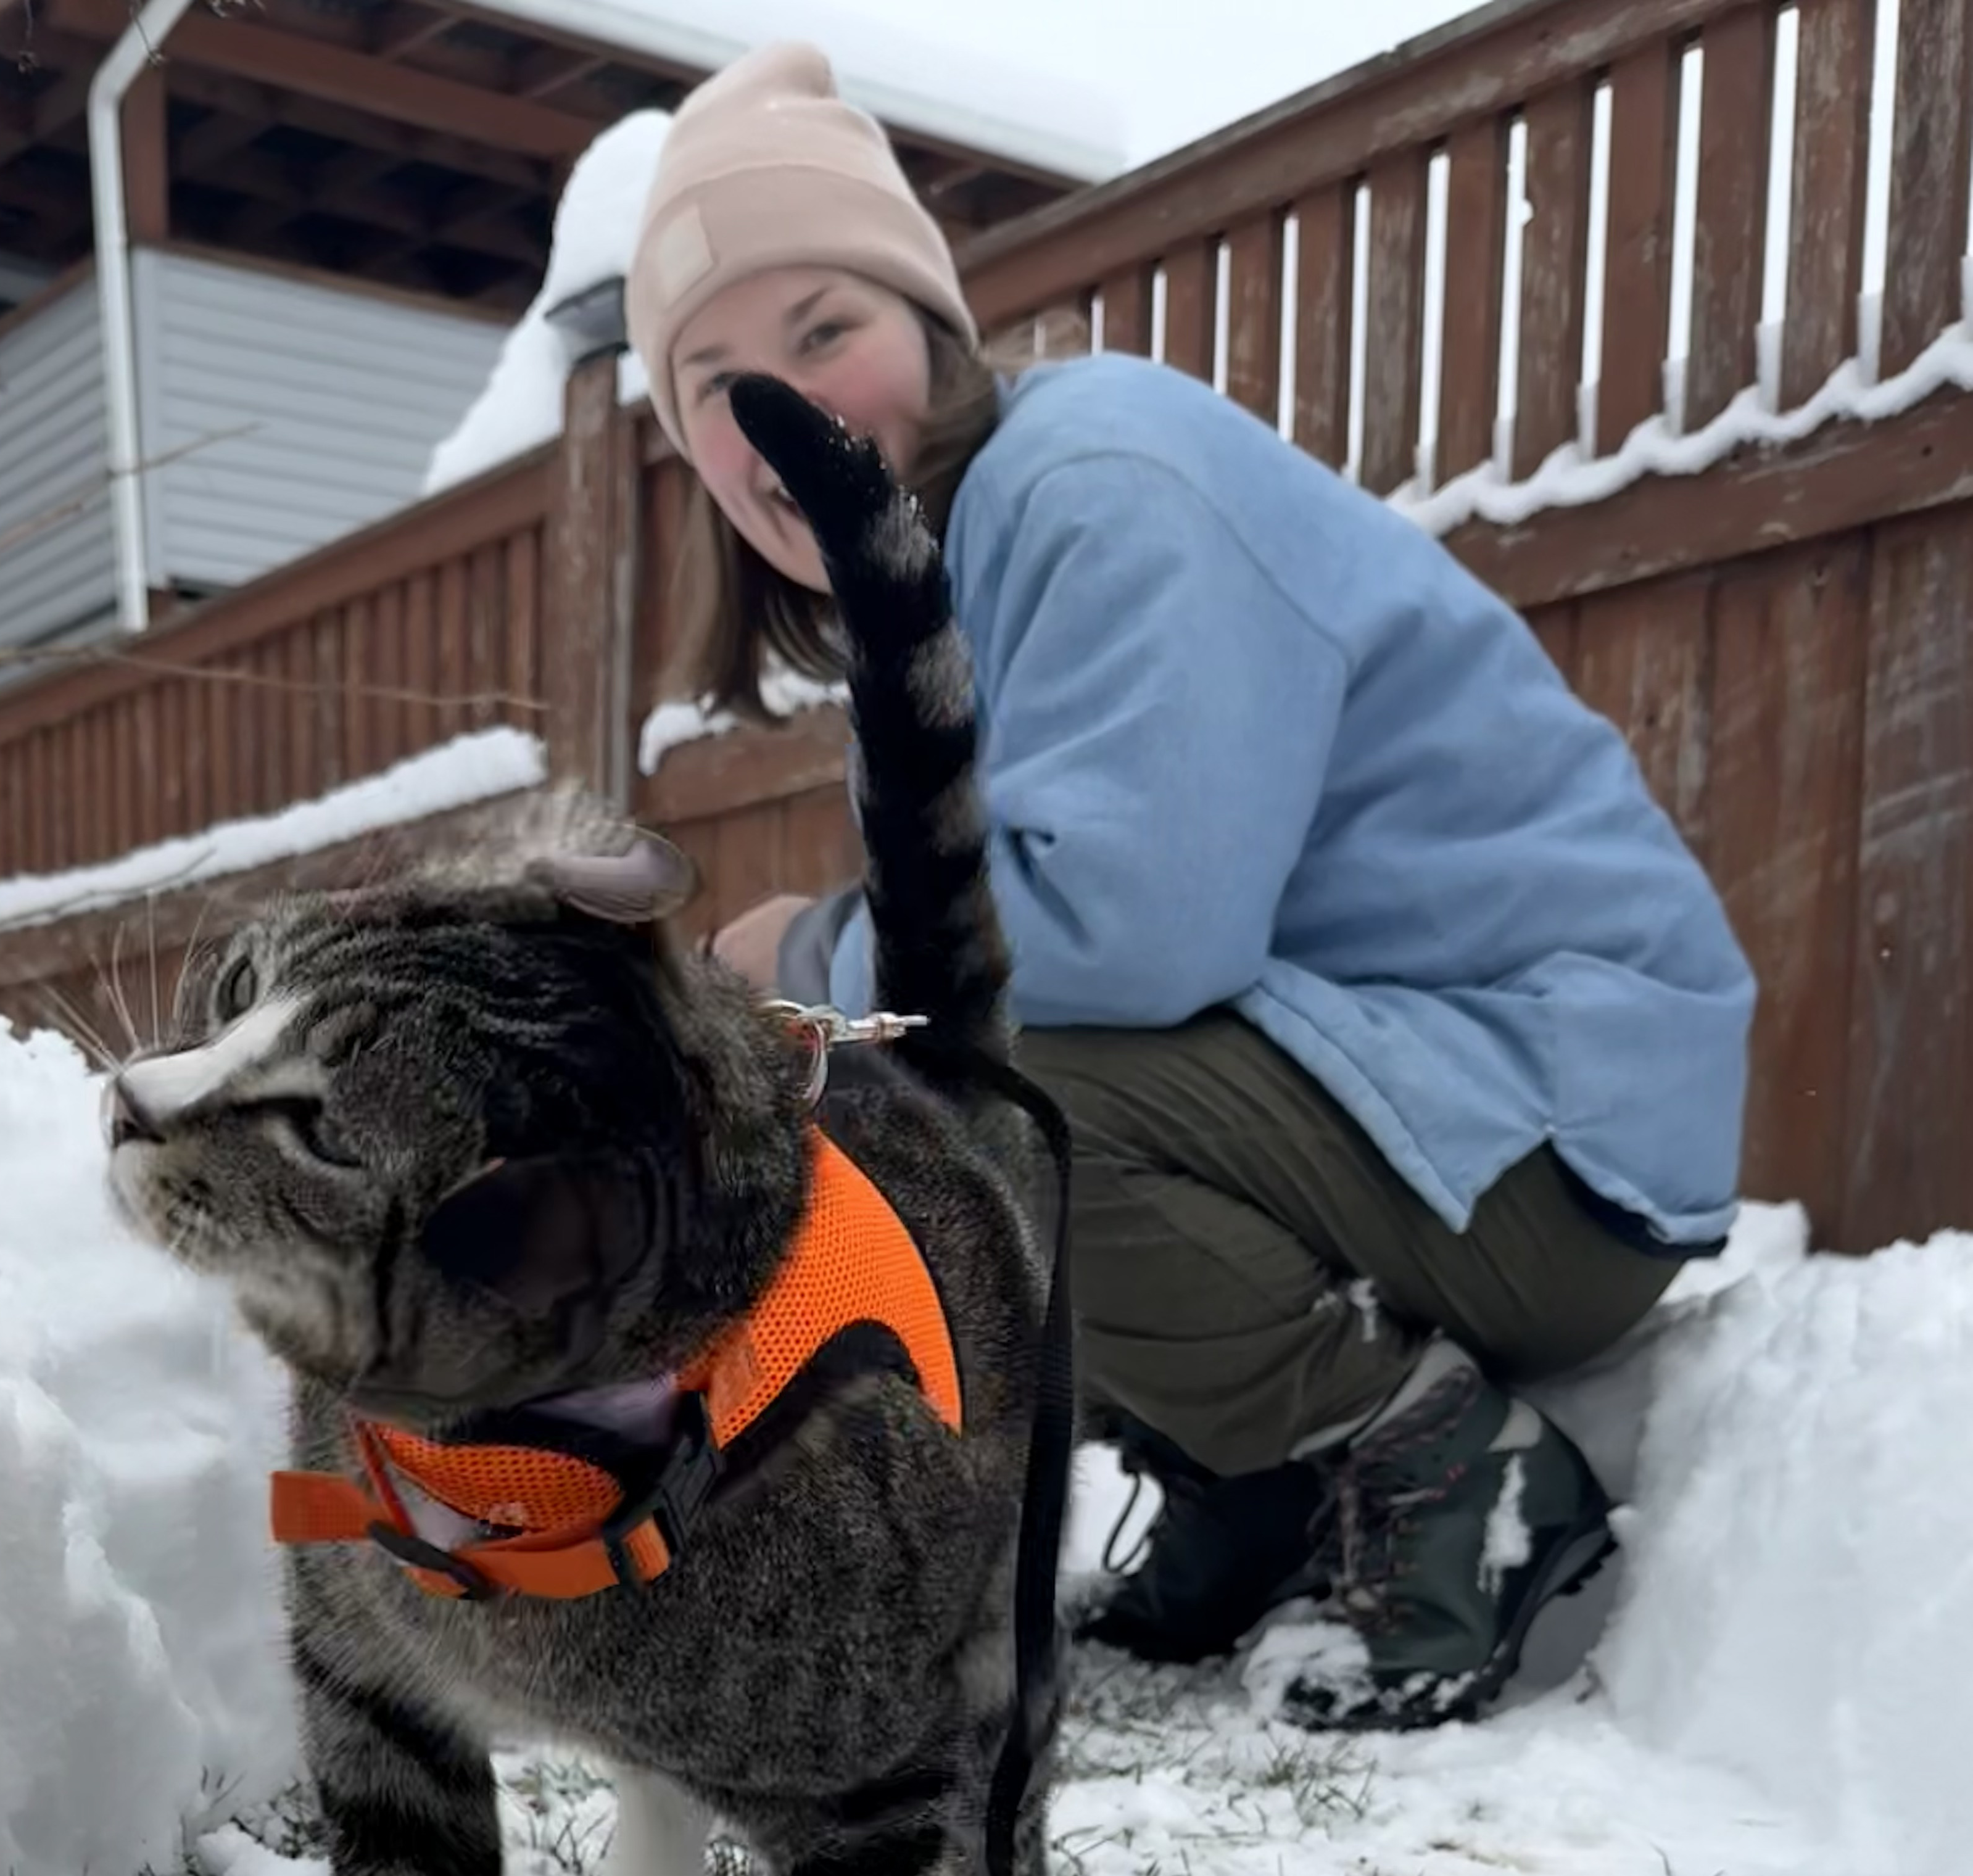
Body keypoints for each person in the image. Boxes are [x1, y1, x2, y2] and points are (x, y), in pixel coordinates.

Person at [623, 41, 1755, 1728]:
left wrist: (809, 946)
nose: (772, 408)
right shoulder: (935, 590)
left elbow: (1125, 935)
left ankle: (1448, 1473)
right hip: (1425, 1105)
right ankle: (1259, 1483)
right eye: (710, 383)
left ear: (930, 328)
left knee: (944, 1082)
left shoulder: (1096, 482)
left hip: (1547, 1141)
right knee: (893, 1078)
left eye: (819, 334)